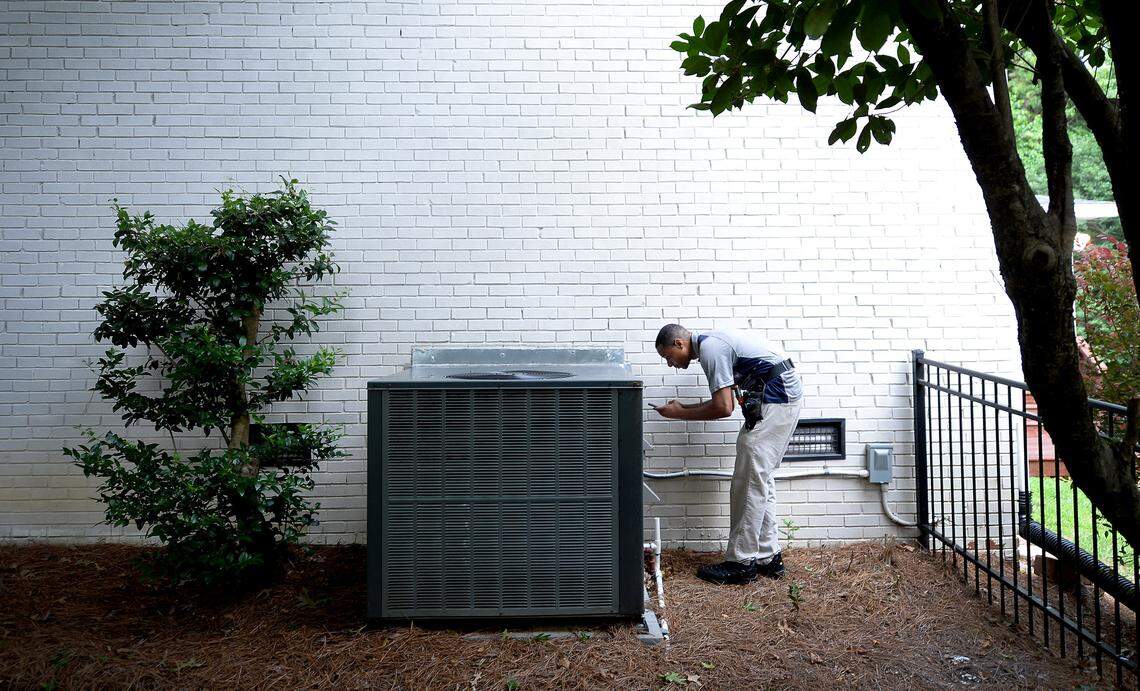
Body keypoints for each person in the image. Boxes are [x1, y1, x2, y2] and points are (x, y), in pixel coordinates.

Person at [651, 324, 804, 585]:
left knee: (748, 484)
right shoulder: (713, 342)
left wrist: (679, 413)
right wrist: (683, 408)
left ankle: (741, 563)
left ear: (679, 343)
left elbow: (723, 407)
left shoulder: (711, 349)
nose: (670, 364)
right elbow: (724, 403)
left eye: (668, 357)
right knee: (759, 481)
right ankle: (769, 557)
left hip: (777, 401)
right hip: (779, 401)